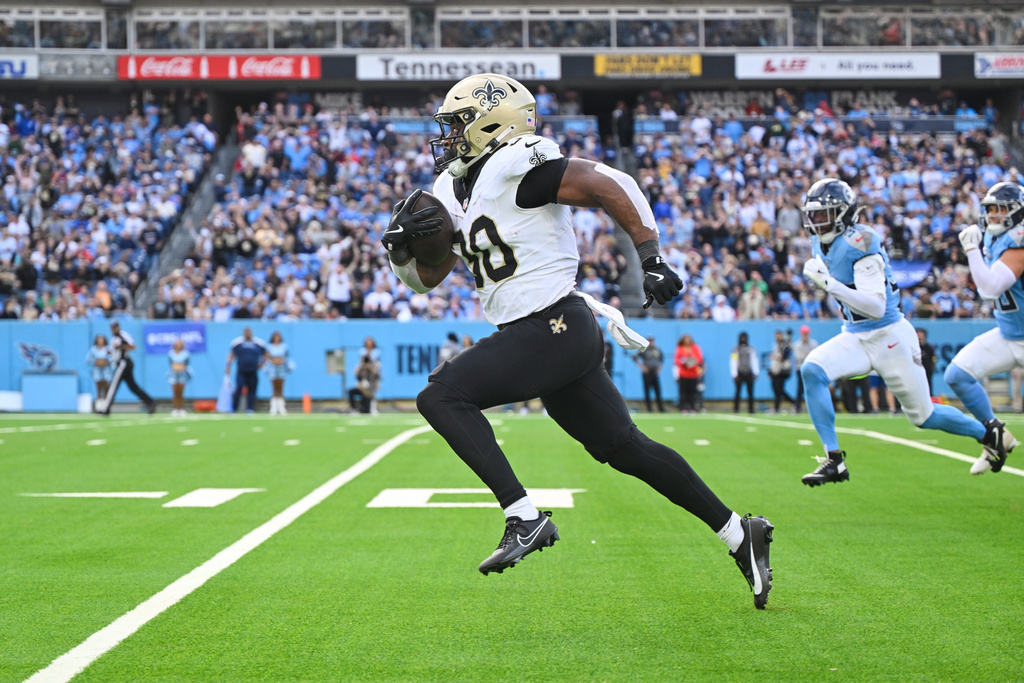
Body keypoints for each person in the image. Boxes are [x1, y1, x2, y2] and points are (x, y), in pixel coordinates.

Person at [382, 73, 773, 608]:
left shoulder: (517, 163)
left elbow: (611, 182)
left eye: (458, 124)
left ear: (492, 122)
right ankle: (738, 533)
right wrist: (401, 252)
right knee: (625, 449)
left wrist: (651, 257)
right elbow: (428, 278)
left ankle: (523, 517)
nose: (448, 136)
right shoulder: (453, 188)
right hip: (547, 336)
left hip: (553, 325)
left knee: (441, 395)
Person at [798, 178, 1009, 486]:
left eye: (822, 214)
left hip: (889, 336)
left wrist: (829, 284)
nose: (816, 221)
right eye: (813, 214)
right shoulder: (821, 242)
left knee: (924, 417)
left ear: (843, 213)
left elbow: (875, 307)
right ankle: (834, 461)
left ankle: (988, 433)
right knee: (812, 370)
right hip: (855, 334)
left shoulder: (860, 242)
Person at [944, 182, 1024, 474]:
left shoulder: (1018, 240)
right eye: (989, 209)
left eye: (999, 210)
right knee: (957, 375)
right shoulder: (994, 237)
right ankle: (996, 436)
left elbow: (990, 288)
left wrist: (970, 250)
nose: (992, 216)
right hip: (1009, 333)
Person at [96, 320, 156, 415]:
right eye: (113, 327)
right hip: (120, 363)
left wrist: (121, 346)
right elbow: (115, 353)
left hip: (123, 363)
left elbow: (133, 346)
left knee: (113, 385)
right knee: (133, 387)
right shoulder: (113, 339)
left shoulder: (123, 335)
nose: (114, 329)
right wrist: (110, 352)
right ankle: (150, 402)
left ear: (119, 327)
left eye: (116, 327)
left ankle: (105, 408)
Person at [225, 327, 266, 414]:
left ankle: (250, 409)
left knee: (252, 390)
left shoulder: (258, 343)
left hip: (253, 371)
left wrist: (263, 363)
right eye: (246, 332)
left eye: (249, 332)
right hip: (241, 371)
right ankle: (234, 409)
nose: (247, 334)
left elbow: (266, 353)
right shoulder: (238, 343)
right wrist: (228, 366)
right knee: (238, 389)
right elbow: (231, 354)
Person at [264, 331, 294, 415]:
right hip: (272, 368)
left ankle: (281, 407)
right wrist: (273, 360)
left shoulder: (284, 346)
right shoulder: (269, 346)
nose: (277, 339)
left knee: (280, 388)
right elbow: (267, 356)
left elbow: (286, 357)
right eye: (275, 337)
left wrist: (281, 360)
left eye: (278, 337)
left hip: (281, 368)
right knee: (274, 388)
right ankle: (273, 407)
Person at [674, 334, 704, 413]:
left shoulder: (695, 347)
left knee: (692, 391)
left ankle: (692, 407)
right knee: (683, 391)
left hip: (693, 373)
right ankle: (683, 407)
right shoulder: (680, 348)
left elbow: (699, 358)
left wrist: (693, 362)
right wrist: (684, 363)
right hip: (684, 373)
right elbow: (677, 360)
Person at [635, 336, 666, 413]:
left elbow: (661, 359)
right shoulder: (644, 349)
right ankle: (649, 408)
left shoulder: (657, 349)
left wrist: (659, 369)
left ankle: (660, 407)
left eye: (652, 341)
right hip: (647, 373)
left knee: (657, 390)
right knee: (647, 390)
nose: (650, 343)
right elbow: (635, 357)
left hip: (654, 373)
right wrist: (642, 367)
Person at [731, 332, 759, 414]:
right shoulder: (736, 349)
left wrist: (756, 371)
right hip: (740, 372)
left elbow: (754, 360)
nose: (743, 339)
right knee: (737, 392)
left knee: (750, 392)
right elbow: (733, 361)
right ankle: (736, 409)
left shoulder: (751, 348)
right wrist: (734, 373)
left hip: (749, 372)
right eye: (742, 337)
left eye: (745, 337)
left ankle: (751, 409)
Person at [767, 330, 795, 413]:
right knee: (777, 390)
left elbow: (784, 355)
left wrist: (775, 356)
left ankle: (779, 407)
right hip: (775, 370)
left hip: (782, 370)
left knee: (779, 390)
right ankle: (791, 404)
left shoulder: (784, 344)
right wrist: (770, 371)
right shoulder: (776, 345)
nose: (777, 337)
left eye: (778, 335)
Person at [792, 325, 818, 413]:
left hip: (811, 369)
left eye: (806, 334)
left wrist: (805, 355)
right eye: (804, 334)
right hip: (800, 368)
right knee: (800, 389)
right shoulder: (797, 345)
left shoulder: (813, 343)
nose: (805, 336)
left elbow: (815, 357)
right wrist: (808, 355)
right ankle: (797, 407)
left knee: (812, 389)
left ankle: (814, 407)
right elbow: (798, 357)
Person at [85, 334, 113, 411]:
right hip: (97, 371)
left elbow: (112, 358)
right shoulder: (93, 350)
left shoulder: (107, 349)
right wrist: (96, 362)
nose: (100, 341)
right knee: (98, 388)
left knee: (106, 387)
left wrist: (106, 362)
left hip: (106, 371)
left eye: (102, 339)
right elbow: (87, 360)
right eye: (99, 339)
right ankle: (99, 405)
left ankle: (107, 405)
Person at [166, 338, 191, 417]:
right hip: (173, 374)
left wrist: (182, 368)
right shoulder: (171, 353)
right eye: (177, 344)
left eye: (180, 344)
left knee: (181, 393)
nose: (178, 345)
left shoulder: (186, 353)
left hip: (182, 374)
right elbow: (170, 363)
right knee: (175, 393)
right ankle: (175, 408)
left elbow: (187, 363)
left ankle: (181, 408)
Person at [916, 328, 937, 397]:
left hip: (927, 370)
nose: (919, 337)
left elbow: (934, 358)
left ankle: (929, 397)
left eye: (921, 335)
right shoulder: (914, 347)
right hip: (916, 370)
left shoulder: (929, 347)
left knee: (928, 384)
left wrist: (932, 367)